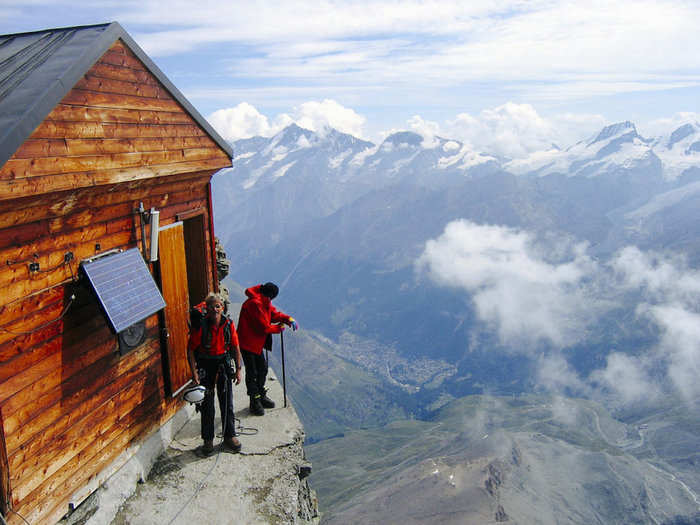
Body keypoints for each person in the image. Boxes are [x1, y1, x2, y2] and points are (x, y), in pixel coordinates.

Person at [187, 292, 243, 455]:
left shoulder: (228, 324)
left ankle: (229, 435)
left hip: (223, 366)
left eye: (217, 306)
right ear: (207, 309)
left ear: (222, 308)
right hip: (206, 366)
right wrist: (194, 373)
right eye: (211, 307)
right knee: (207, 405)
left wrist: (238, 369)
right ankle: (208, 440)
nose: (215, 309)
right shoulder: (201, 327)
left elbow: (235, 346)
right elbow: (190, 350)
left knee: (227, 402)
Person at [237, 282, 297, 415]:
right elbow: (263, 327)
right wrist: (279, 328)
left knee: (262, 369)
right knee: (252, 373)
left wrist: (288, 319)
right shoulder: (255, 304)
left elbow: (273, 314)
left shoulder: (263, 301)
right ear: (270, 295)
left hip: (256, 344)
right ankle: (255, 401)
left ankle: (260, 395)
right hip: (248, 343)